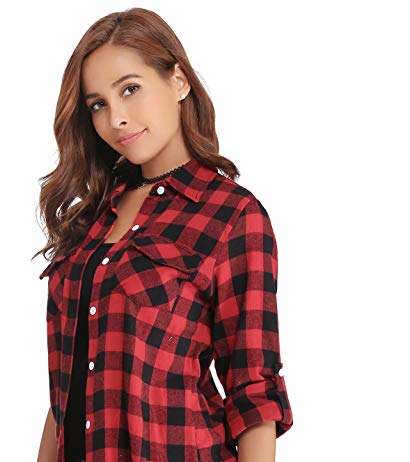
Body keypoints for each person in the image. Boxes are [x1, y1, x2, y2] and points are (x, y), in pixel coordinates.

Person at [35, 7, 293, 462]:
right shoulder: (92, 218)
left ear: (178, 81)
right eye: (98, 104)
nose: (116, 118)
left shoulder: (232, 215)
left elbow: (252, 390)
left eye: (130, 89)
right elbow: (66, 393)